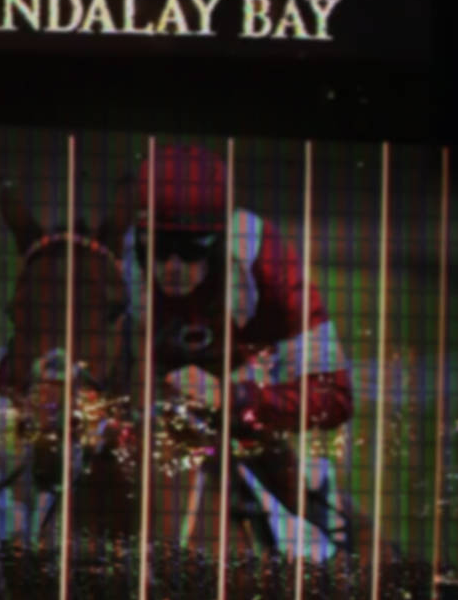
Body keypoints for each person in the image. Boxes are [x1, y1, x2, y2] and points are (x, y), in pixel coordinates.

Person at [117, 144, 365, 558]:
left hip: (248, 410)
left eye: (192, 249)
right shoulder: (121, 259)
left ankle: (329, 534)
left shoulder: (269, 265)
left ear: (220, 243)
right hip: (148, 408)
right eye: (158, 249)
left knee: (318, 543)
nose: (172, 266)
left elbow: (335, 396)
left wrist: (235, 398)